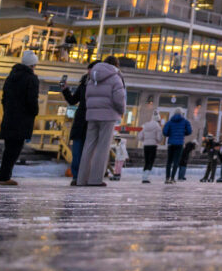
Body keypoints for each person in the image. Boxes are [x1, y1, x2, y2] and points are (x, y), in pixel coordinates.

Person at [74, 57, 126, 187]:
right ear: (116, 65)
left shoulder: (92, 78)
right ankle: (95, 179)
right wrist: (121, 111)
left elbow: (86, 97)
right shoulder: (115, 78)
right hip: (107, 116)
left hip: (92, 116)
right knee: (102, 148)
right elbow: (119, 98)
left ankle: (81, 179)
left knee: (88, 147)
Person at [0, 51, 40, 186]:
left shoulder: (11, 77)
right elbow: (31, 99)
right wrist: (34, 112)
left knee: (8, 148)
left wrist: (9, 110)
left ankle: (3, 175)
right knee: (15, 149)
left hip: (10, 116)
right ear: (33, 65)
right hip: (23, 118)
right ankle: (4, 177)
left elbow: (4, 98)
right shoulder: (31, 79)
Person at [62, 69, 90, 183]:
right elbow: (73, 100)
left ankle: (83, 176)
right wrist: (65, 90)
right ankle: (76, 176)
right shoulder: (84, 84)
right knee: (78, 151)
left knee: (85, 152)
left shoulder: (98, 84)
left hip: (90, 121)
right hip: (81, 121)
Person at [162, 109, 192, 184]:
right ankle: (172, 178)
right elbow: (189, 131)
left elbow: (165, 132)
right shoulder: (185, 121)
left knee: (169, 161)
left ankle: (167, 178)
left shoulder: (169, 122)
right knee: (176, 161)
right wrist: (182, 133)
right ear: (182, 114)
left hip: (171, 143)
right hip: (179, 144)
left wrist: (170, 134)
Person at [136, 111, 162, 183]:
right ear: (158, 120)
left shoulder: (145, 125)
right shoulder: (158, 127)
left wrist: (144, 140)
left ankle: (144, 176)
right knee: (151, 161)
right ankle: (146, 176)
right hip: (153, 145)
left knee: (146, 161)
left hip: (146, 145)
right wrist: (158, 141)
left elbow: (140, 136)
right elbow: (159, 138)